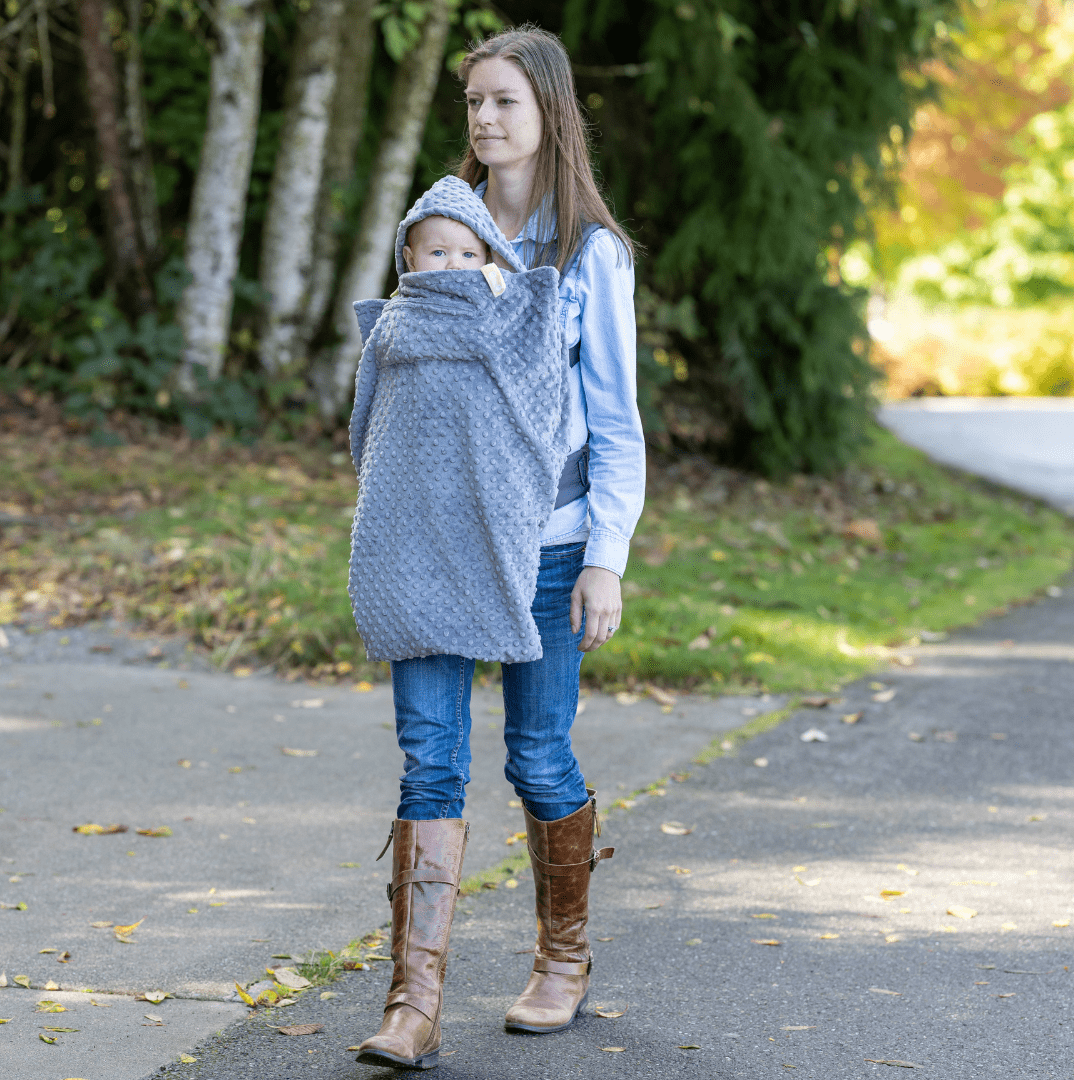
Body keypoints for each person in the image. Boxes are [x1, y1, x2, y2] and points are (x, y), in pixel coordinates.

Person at [355, 25, 646, 1071]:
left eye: (504, 100)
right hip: (434, 539)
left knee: (538, 754)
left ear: (549, 111)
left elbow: (615, 424)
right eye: (474, 100)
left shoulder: (588, 254)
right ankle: (412, 1004)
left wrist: (606, 554)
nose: (484, 118)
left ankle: (563, 959)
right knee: (430, 756)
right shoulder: (440, 229)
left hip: (550, 548)